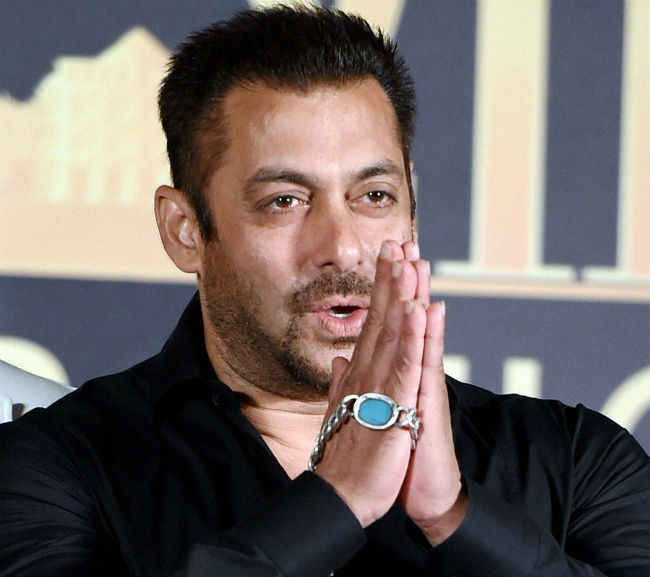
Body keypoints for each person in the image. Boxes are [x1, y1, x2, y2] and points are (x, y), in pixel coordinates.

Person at [0, 6, 648, 576]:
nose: (342, 246)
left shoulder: (574, 460)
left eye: (374, 195)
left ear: (412, 205)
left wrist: (454, 516)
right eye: (285, 200)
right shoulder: (54, 467)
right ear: (184, 230)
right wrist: (335, 502)